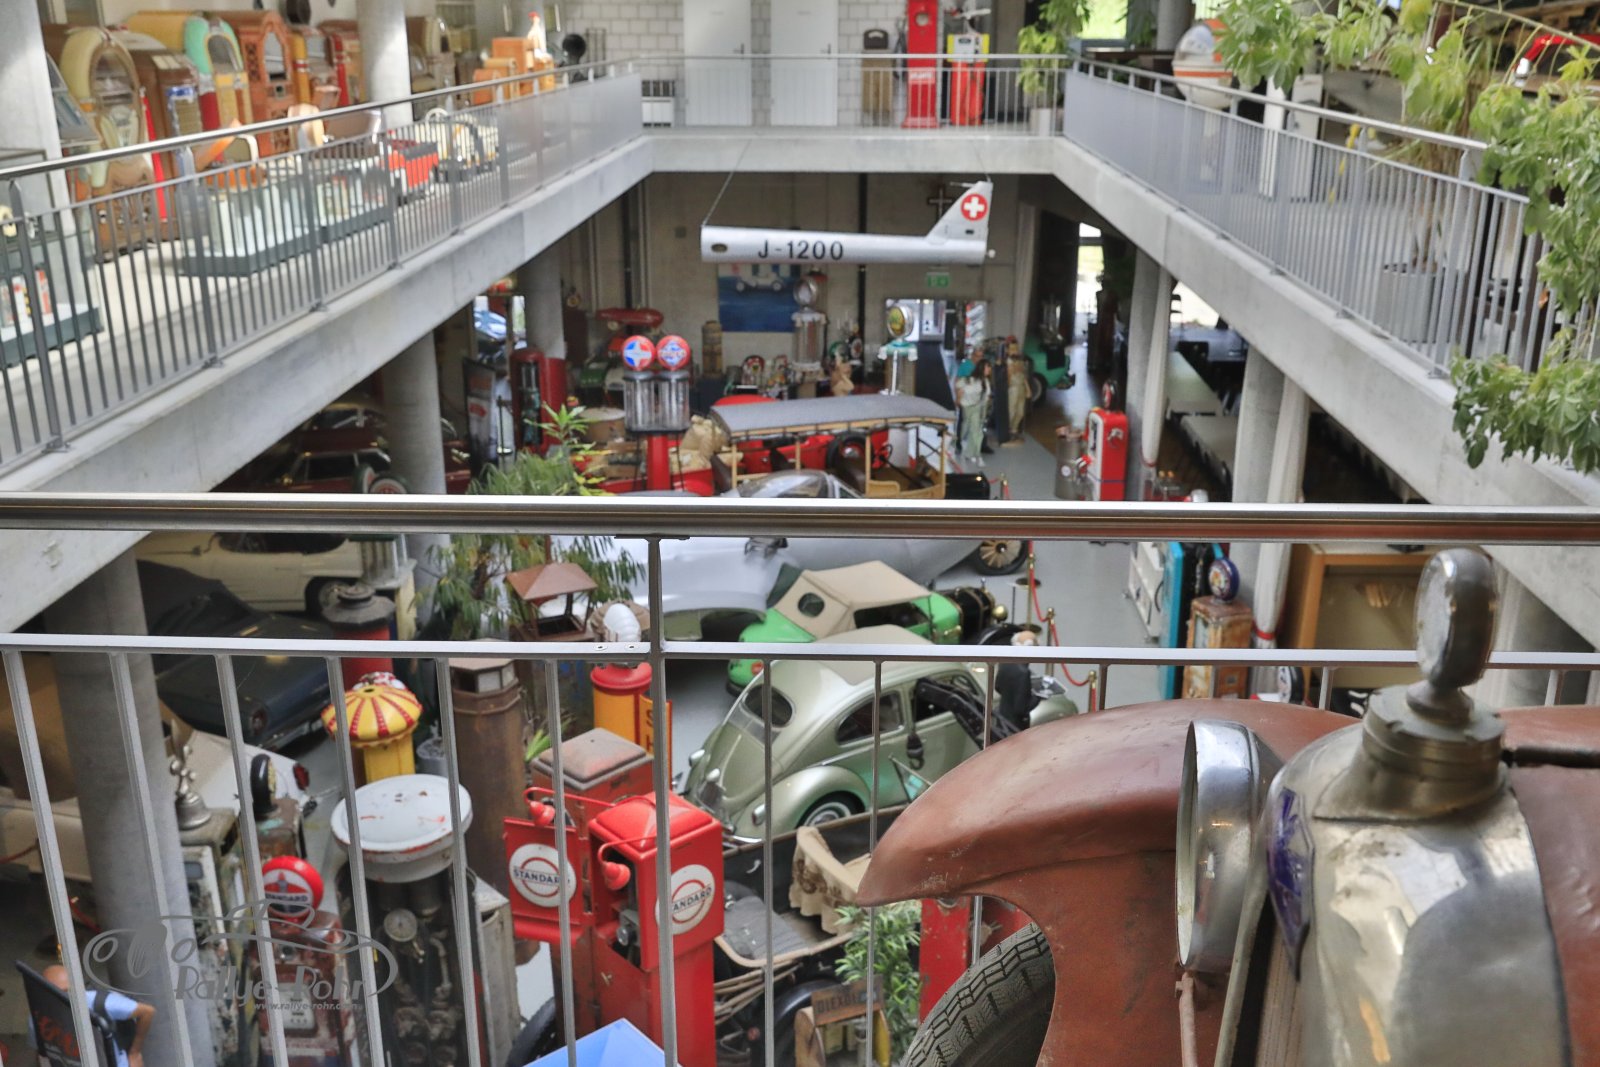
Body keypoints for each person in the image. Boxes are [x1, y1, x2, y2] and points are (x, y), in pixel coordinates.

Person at [40, 965, 154, 1067]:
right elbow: (43, 1050)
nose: (64, 998)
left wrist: (135, 1053)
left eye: (67, 991)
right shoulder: (41, 1015)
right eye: (56, 994)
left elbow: (147, 1011)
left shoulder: (99, 1003)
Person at [954, 359, 988, 467]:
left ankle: (976, 455)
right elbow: (958, 386)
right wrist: (958, 399)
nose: (989, 370)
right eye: (987, 367)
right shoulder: (970, 380)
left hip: (977, 408)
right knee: (965, 430)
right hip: (966, 407)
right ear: (982, 368)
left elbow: (985, 397)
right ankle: (955, 444)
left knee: (977, 432)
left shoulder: (985, 382)